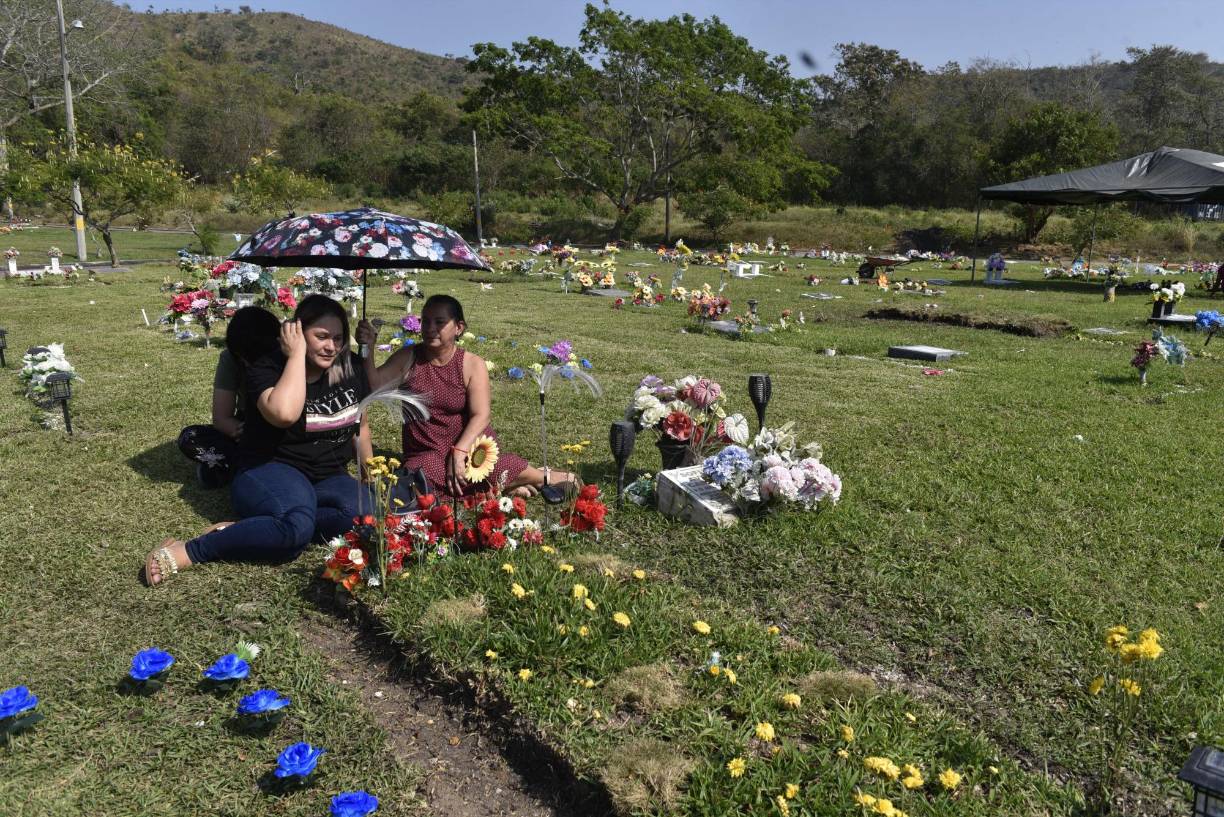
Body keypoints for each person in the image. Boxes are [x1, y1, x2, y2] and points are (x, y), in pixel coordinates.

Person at [145, 295, 373, 586]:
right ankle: (192, 550)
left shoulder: (350, 366)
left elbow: (361, 425)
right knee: (293, 534)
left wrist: (370, 474)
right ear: (297, 333)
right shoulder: (267, 367)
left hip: (326, 473)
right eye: (321, 336)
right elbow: (284, 414)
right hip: (270, 467)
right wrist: (295, 357)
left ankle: (255, 527)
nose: (331, 346)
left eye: (338, 338)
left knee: (364, 514)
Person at [356, 294, 573, 498]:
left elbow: (481, 415)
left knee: (486, 469)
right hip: (426, 450)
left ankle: (548, 477)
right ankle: (505, 485)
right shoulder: (409, 357)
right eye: (426, 321)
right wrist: (367, 348)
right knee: (419, 482)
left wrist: (459, 451)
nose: (430, 328)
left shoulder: (471, 363)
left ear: (459, 328)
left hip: (469, 445)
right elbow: (374, 386)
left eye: (439, 322)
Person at [175, 307, 281, 488]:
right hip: (247, 425)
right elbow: (222, 418)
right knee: (190, 437)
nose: (251, 366)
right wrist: (245, 432)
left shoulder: (290, 355)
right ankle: (240, 464)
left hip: (285, 427)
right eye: (245, 361)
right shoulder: (231, 358)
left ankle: (232, 468)